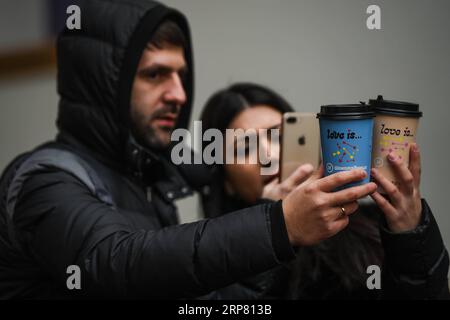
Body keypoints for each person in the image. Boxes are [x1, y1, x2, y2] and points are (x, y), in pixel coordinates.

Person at [0, 0, 379, 299]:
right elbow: (121, 263)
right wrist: (278, 224)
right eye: (155, 74)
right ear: (102, 87)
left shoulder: (148, 188)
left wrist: (411, 227)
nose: (179, 95)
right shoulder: (44, 182)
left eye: (181, 76)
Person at [199, 82, 449, 299]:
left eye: (278, 137)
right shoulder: (214, 264)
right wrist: (269, 230)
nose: (269, 156)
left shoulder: (379, 225)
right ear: (226, 183)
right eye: (245, 148)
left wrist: (409, 234)